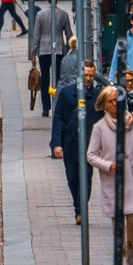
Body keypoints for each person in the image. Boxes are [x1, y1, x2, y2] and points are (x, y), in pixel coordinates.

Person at [86, 87, 133, 265]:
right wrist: (108, 165)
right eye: (110, 101)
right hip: (113, 179)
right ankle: (122, 255)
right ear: (104, 105)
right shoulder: (99, 128)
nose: (115, 104)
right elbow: (91, 155)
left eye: (117, 99)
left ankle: (129, 244)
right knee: (117, 219)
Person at [52, 61, 104, 223]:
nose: (88, 78)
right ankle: (78, 206)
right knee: (73, 177)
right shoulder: (67, 93)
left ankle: (81, 210)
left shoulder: (98, 96)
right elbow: (58, 118)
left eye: (91, 75)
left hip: (90, 145)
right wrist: (56, 143)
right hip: (70, 143)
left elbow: (104, 120)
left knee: (87, 177)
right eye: (85, 75)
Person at [29, 0, 73, 116]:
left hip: (44, 50)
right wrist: (66, 49)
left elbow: (36, 35)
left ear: (46, 0)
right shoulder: (63, 14)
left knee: (44, 79)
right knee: (59, 79)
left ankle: (45, 108)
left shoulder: (40, 15)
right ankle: (59, 105)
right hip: (58, 50)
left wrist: (33, 54)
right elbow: (69, 35)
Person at [110, 11, 133, 80]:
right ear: (132, 22)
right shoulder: (124, 37)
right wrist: (111, 79)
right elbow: (116, 58)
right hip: (127, 78)